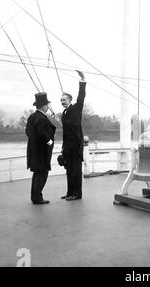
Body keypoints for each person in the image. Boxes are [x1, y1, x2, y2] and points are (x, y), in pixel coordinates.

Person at [26, 92, 56, 205]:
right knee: (42, 174)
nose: (47, 106)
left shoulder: (32, 117)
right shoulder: (41, 118)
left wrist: (34, 141)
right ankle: (38, 198)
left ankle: (35, 196)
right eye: (47, 104)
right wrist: (49, 141)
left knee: (36, 175)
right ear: (44, 106)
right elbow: (41, 132)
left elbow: (28, 132)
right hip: (41, 152)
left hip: (34, 151)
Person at [60, 70, 86, 201]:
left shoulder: (77, 108)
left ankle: (77, 194)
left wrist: (82, 80)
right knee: (69, 171)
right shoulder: (63, 114)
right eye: (61, 100)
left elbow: (81, 95)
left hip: (76, 147)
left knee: (76, 171)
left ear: (70, 100)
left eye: (64, 100)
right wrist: (63, 147)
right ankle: (70, 192)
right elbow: (65, 133)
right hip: (68, 148)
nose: (62, 102)